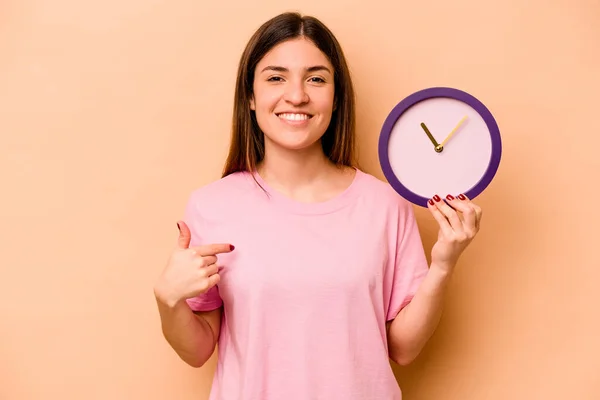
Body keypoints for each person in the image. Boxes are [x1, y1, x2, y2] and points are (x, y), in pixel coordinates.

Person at [153, 11, 483, 400]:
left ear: (337, 97)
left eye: (316, 78)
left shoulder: (385, 204)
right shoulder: (212, 205)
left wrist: (444, 265)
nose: (297, 95)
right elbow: (197, 350)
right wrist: (168, 300)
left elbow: (404, 349)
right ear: (250, 97)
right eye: (276, 77)